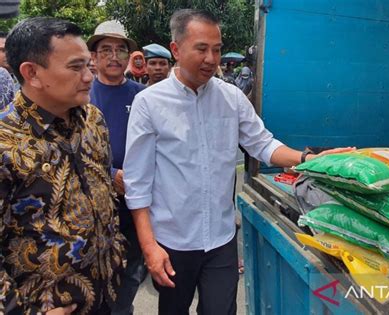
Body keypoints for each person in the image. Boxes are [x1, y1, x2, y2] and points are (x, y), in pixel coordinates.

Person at [123, 9, 352, 315]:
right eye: (201, 48)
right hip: (173, 241)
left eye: (216, 49)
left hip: (220, 239)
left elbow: (264, 144)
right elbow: (137, 183)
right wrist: (149, 246)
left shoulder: (231, 97)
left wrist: (310, 159)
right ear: (176, 49)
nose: (211, 58)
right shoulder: (149, 103)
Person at [0, 17, 125, 314]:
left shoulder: (93, 120)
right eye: (75, 67)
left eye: (87, 65)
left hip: (106, 292)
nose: (88, 77)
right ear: (31, 73)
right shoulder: (6, 144)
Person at [87, 25, 146, 315]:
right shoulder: (81, 95)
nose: (114, 56)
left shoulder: (143, 96)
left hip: (135, 201)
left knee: (132, 268)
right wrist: (110, 174)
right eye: (106, 50)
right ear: (93, 57)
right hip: (93, 206)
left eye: (120, 49)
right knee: (93, 273)